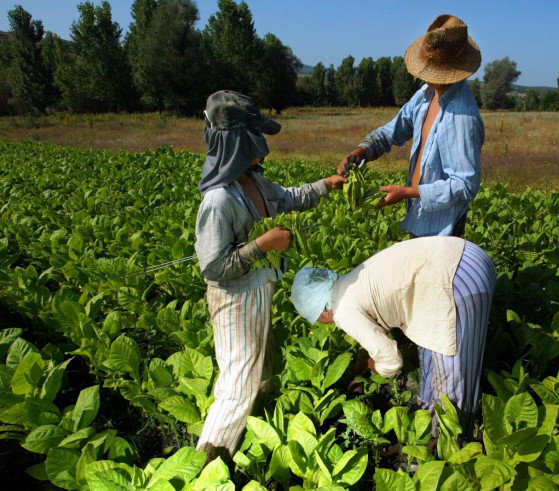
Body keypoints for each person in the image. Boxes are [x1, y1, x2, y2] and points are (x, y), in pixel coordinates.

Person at [194, 90, 346, 462]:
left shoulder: (253, 182)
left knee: (261, 369)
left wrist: (325, 186)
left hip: (258, 291)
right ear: (237, 145)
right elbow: (214, 268)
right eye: (256, 140)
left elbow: (289, 198)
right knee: (236, 386)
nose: (264, 147)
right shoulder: (218, 201)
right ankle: (208, 464)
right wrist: (262, 245)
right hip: (234, 301)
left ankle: (247, 440)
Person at [290, 236, 496, 436]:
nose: (321, 323)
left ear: (322, 310)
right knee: (428, 346)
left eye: (316, 318)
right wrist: (359, 370)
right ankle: (426, 416)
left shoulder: (342, 310)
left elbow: (391, 359)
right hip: (466, 256)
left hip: (454, 280)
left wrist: (376, 368)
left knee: (452, 377)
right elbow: (370, 337)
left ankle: (453, 449)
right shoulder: (350, 282)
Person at [338, 14, 484, 238]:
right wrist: (361, 151)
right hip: (418, 215)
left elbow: (465, 185)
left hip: (442, 229)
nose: (425, 75)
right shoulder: (426, 94)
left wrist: (407, 192)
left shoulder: (462, 117)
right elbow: (392, 131)